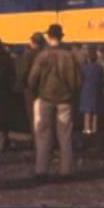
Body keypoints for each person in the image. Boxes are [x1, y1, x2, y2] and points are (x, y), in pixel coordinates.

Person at [28, 24, 82, 182]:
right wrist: (72, 93)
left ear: (49, 37)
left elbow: (32, 78)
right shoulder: (70, 56)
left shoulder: (42, 56)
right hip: (65, 101)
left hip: (45, 99)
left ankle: (41, 170)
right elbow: (78, 81)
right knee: (65, 136)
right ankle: (66, 171)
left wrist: (36, 91)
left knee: (44, 135)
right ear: (61, 37)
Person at [16, 32, 46, 140]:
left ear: (32, 42)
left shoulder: (28, 55)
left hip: (30, 89)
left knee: (33, 115)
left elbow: (23, 72)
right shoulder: (45, 53)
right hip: (45, 89)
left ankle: (36, 140)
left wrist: (21, 85)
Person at [79, 47, 104, 135]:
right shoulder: (100, 68)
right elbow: (102, 78)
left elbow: (81, 79)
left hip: (86, 89)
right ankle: (94, 128)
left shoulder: (84, 68)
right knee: (95, 109)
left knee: (87, 110)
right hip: (96, 89)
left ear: (88, 58)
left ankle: (87, 128)